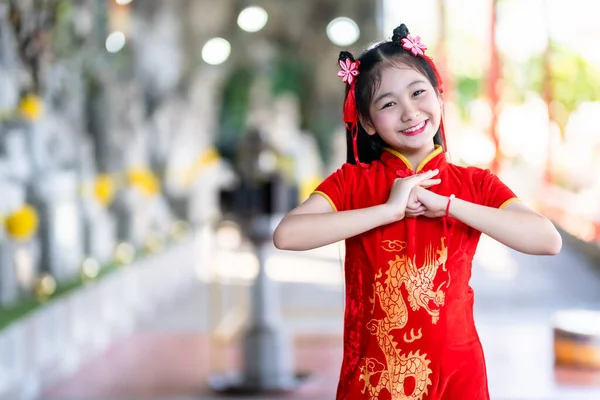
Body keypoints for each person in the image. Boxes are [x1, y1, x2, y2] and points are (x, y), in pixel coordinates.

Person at [273, 23, 562, 400]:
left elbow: (548, 240)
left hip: (458, 376)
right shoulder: (353, 183)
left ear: (439, 98)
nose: (409, 112)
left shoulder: (474, 184)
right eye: (388, 104)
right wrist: (389, 210)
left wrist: (448, 206)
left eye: (418, 93)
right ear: (366, 122)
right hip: (375, 379)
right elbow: (287, 235)